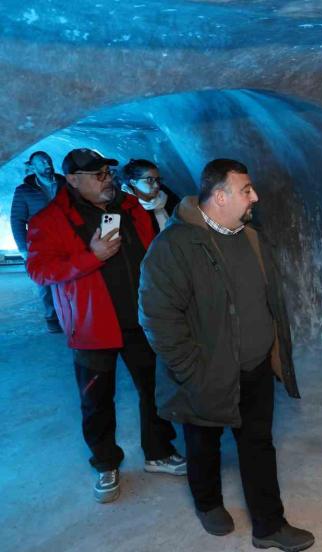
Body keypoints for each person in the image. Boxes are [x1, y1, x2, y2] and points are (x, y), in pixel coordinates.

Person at [138, 159, 314, 551]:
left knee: (258, 444)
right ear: (220, 196)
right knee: (203, 443)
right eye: (246, 190)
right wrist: (191, 371)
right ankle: (208, 503)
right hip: (206, 372)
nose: (255, 197)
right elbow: (157, 318)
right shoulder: (174, 246)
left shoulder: (251, 237)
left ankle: (269, 525)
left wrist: (272, 351)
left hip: (255, 369)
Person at [26, 148, 185, 504]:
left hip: (139, 319)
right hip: (91, 325)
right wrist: (91, 257)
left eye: (108, 173)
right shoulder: (49, 220)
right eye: (98, 175)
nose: (108, 180)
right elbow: (39, 270)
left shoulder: (129, 207)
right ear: (72, 179)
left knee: (154, 387)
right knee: (96, 400)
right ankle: (106, 462)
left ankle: (159, 451)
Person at [10, 151, 67, 332]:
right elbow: (17, 220)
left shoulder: (67, 185)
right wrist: (23, 248)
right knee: (45, 282)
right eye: (41, 162)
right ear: (33, 167)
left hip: (67, 240)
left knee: (70, 277)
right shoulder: (24, 191)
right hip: (41, 243)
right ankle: (52, 319)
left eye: (48, 161)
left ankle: (71, 316)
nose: (47, 164)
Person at [120, 158, 180, 234]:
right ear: (133, 182)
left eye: (157, 180)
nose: (156, 185)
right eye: (150, 180)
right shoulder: (126, 209)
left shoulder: (167, 197)